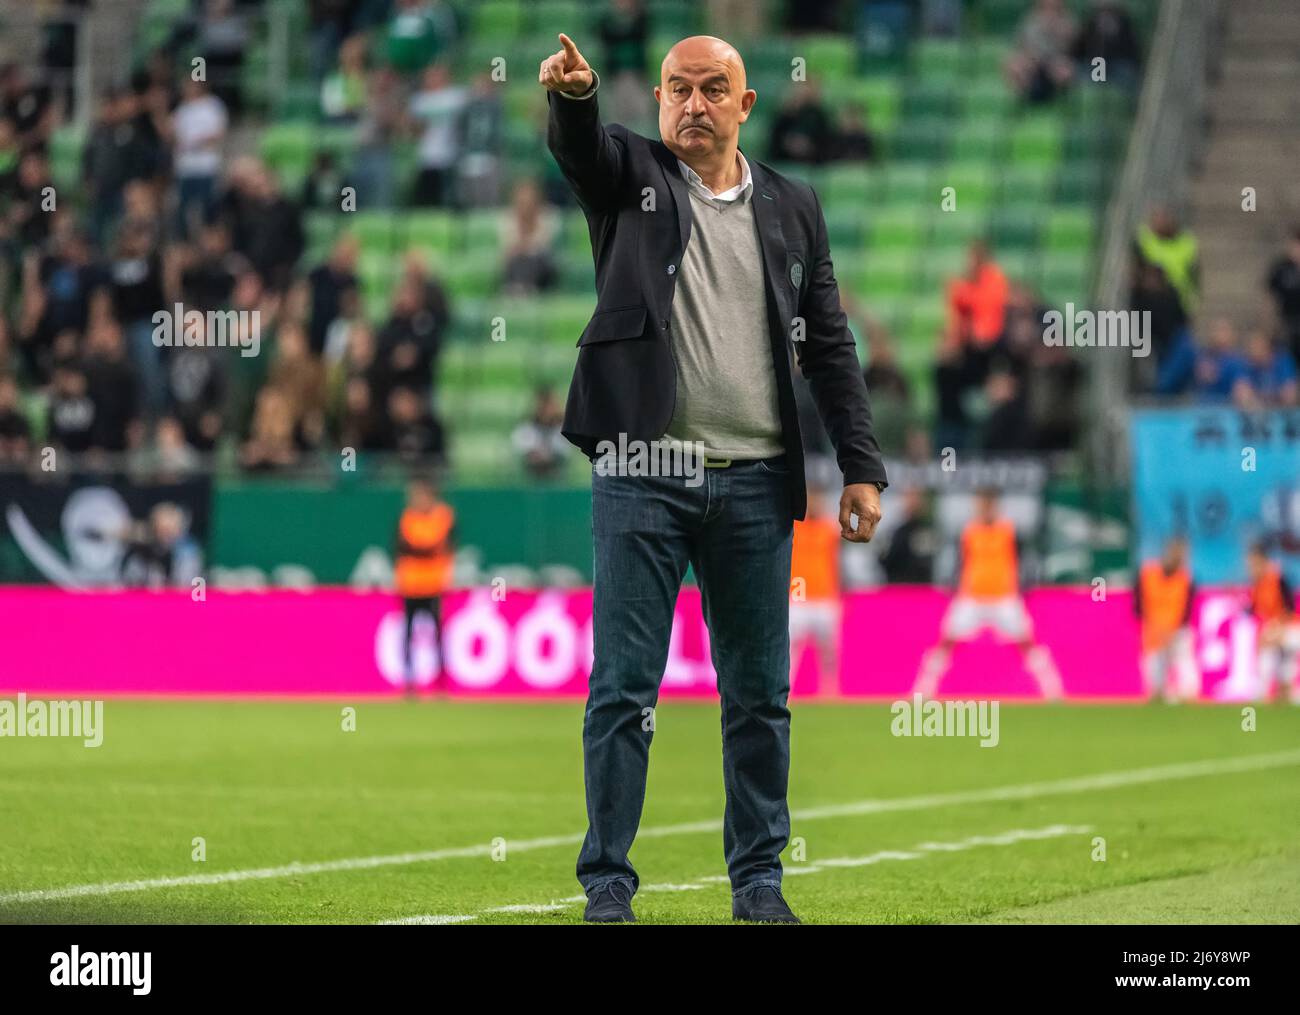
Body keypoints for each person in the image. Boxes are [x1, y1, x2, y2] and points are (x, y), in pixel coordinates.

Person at [541, 32, 887, 924]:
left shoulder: (794, 206)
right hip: (642, 475)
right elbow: (584, 149)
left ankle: (758, 884)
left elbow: (831, 344)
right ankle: (608, 886)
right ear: (657, 100)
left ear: (746, 105)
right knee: (621, 687)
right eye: (676, 89)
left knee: (759, 697)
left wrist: (861, 466)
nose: (692, 104)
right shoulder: (633, 178)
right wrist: (576, 101)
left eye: (712, 89)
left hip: (755, 482)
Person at [914, 488, 1063, 700]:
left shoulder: (1009, 531)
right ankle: (923, 689)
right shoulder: (968, 532)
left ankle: (1052, 689)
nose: (983, 509)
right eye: (980, 504)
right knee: (947, 641)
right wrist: (953, 585)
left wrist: (1025, 586)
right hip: (972, 597)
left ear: (995, 506)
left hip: (1004, 597)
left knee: (1027, 642)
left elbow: (1026, 562)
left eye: (987, 504)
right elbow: (959, 563)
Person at [393, 475, 455, 695]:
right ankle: (409, 681)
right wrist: (426, 548)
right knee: (408, 632)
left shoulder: (443, 516)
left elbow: (433, 544)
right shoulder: (408, 517)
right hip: (411, 584)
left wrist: (422, 548)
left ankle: (441, 682)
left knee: (437, 633)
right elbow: (406, 546)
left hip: (433, 584)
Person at [789, 485, 843, 696]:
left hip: (824, 596)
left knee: (829, 648)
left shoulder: (829, 529)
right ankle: (787, 689)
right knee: (791, 647)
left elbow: (835, 562)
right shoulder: (793, 526)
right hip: (798, 596)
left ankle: (830, 689)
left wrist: (838, 594)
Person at [1134, 536, 1197, 702]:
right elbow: (1138, 606)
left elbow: (1186, 612)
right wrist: (1156, 628)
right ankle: (1159, 695)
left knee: (1185, 667)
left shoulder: (1185, 579)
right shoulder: (1148, 574)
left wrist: (1171, 632)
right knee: (1154, 679)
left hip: (1177, 633)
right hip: (1153, 632)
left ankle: (1187, 698)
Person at [1244, 543, 1300, 703]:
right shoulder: (1257, 584)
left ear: (1262, 561)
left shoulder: (1278, 579)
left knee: (1270, 643)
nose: (1250, 568)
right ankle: (1271, 692)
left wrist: (1277, 631)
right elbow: (1255, 610)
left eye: (1253, 564)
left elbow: (1289, 611)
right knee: (1269, 648)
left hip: (1291, 627)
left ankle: (1270, 691)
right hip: (1275, 628)